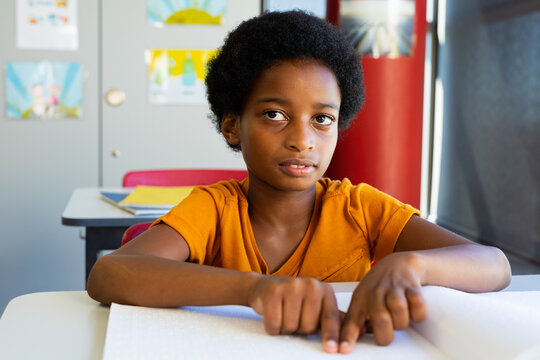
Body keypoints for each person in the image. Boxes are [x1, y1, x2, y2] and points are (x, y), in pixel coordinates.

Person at [87, 10, 511, 354]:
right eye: (275, 115)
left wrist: (411, 263)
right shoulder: (214, 209)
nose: (302, 140)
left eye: (322, 120)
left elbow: (495, 265)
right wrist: (256, 289)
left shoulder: (360, 209)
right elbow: (109, 274)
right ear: (233, 126)